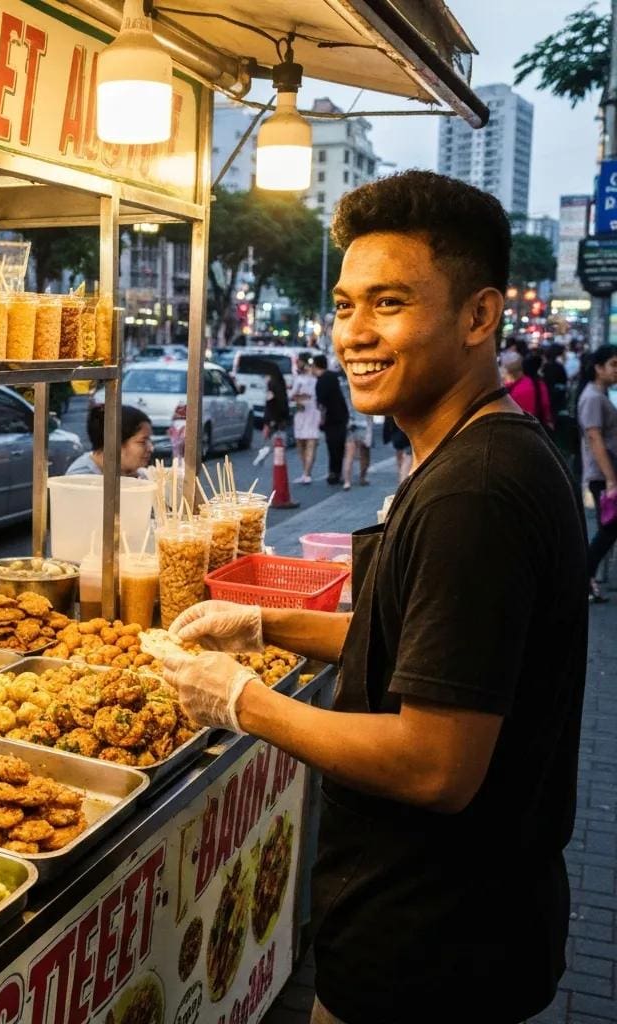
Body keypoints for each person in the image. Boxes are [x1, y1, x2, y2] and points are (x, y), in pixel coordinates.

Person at [163, 171, 587, 1024]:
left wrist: (241, 703)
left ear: (479, 316)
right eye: (346, 304)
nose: (353, 333)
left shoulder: (478, 491)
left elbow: (436, 765)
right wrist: (265, 622)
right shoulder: (478, 452)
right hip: (457, 928)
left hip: (432, 949)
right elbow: (424, 642)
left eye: (388, 304)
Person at [576, 344, 617, 603]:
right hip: (602, 475)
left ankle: (586, 579)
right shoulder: (592, 397)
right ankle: (583, 578)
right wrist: (611, 478)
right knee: (608, 530)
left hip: (607, 474)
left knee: (608, 530)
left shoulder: (601, 394)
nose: (616, 370)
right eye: (613, 364)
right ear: (598, 367)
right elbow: (594, 438)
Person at [66, 404, 153, 478]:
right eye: (142, 442)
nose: (151, 448)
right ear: (114, 444)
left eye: (149, 440)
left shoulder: (138, 475)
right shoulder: (81, 479)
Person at [313, 353, 348, 484]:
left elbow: (321, 405)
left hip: (331, 419)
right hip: (342, 415)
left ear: (315, 365)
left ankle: (333, 473)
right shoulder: (333, 377)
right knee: (339, 446)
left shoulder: (321, 381)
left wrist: (321, 420)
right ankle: (339, 472)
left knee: (332, 446)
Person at [500, 350, 554, 431]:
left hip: (513, 432)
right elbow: (545, 406)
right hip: (536, 431)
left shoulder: (505, 391)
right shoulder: (538, 384)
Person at [290, 355, 320, 483]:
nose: (297, 365)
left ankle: (307, 473)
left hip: (312, 410)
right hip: (301, 412)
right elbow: (292, 396)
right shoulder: (298, 378)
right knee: (301, 443)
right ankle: (306, 472)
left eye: (299, 362)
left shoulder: (314, 378)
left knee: (310, 442)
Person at [341, 413, 372, 489]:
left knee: (349, 456)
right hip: (364, 427)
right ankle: (362, 478)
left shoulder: (348, 400)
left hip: (351, 426)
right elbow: (370, 416)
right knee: (365, 455)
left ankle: (347, 482)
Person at [382, 414, 412, 484]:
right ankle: (403, 479)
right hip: (404, 428)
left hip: (395, 427)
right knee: (408, 455)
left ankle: (401, 475)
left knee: (401, 452)